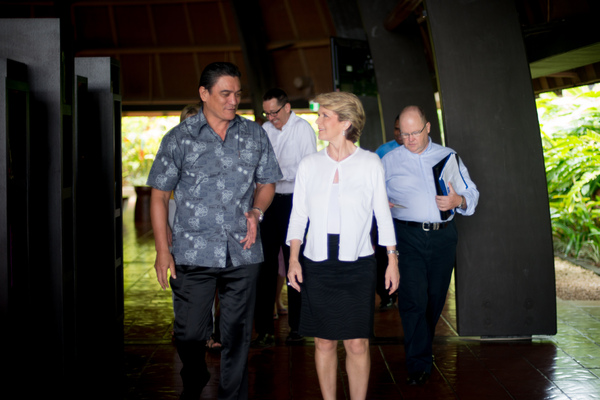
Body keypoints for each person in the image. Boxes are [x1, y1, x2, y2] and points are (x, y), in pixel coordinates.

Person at [146, 61, 282, 400]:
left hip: (243, 248)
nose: (233, 101)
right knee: (190, 334)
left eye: (237, 94)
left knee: (236, 334)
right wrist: (164, 251)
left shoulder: (254, 133)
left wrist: (256, 210)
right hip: (192, 251)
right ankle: (194, 375)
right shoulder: (179, 138)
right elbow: (160, 196)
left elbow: (267, 182)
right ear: (204, 94)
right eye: (225, 94)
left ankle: (232, 395)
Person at [287, 92, 399, 400]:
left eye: (325, 116)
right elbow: (298, 217)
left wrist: (392, 260)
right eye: (319, 115)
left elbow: (382, 215)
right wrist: (294, 259)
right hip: (316, 262)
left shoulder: (370, 163)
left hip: (359, 264)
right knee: (323, 342)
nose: (318, 121)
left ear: (345, 123)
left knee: (357, 343)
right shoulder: (309, 165)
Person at [381, 105, 479, 386]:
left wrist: (457, 201)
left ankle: (421, 348)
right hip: (406, 237)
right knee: (413, 299)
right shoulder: (389, 161)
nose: (409, 139)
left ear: (427, 128)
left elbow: (472, 192)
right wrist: (380, 203)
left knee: (434, 299)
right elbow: (372, 194)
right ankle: (418, 364)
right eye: (404, 133)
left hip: (442, 236)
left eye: (415, 132)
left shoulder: (448, 157)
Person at [251, 88, 317, 347]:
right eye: (266, 113)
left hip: (294, 203)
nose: (271, 117)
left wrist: (274, 172)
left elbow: (307, 168)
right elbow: (259, 166)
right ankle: (264, 328)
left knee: (295, 263)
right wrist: (271, 174)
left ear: (287, 107)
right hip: (268, 202)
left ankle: (298, 327)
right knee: (265, 265)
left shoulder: (303, 129)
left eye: (274, 112)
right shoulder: (265, 130)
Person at [373, 114, 402, 310]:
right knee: (382, 256)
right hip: (385, 213)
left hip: (406, 217)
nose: (400, 134)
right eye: (396, 129)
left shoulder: (417, 149)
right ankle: (386, 294)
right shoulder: (383, 150)